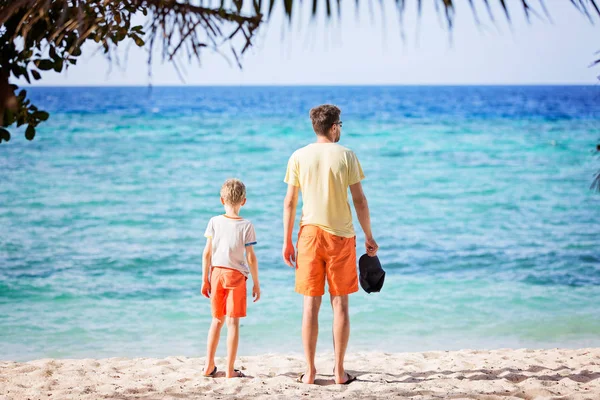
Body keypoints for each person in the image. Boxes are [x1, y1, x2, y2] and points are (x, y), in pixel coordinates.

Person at [282, 104, 378, 385]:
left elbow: (289, 202)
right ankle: (338, 371)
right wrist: (369, 236)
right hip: (341, 236)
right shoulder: (346, 155)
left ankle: (310, 371)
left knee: (310, 305)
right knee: (340, 304)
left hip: (309, 234)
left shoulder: (298, 156)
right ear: (334, 127)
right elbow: (360, 200)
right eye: (341, 126)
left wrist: (287, 240)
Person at [201, 178, 260, 378]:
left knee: (216, 320)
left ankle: (209, 365)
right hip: (236, 276)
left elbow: (207, 254)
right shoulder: (246, 225)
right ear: (243, 201)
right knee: (233, 323)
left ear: (221, 200)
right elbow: (251, 257)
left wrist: (205, 278)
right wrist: (256, 283)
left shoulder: (214, 222)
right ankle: (229, 370)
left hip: (216, 273)